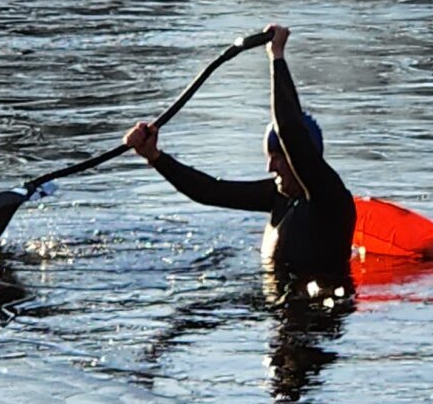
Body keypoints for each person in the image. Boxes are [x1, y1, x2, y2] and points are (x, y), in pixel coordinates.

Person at [124, 24, 356, 277]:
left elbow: (290, 131)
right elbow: (211, 192)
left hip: (317, 310)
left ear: (300, 158)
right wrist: (155, 157)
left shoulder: (332, 201)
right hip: (278, 304)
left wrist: (276, 56)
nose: (270, 168)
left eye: (278, 159)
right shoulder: (281, 197)